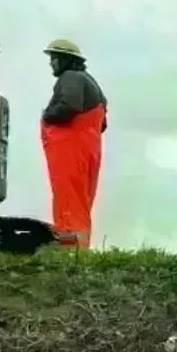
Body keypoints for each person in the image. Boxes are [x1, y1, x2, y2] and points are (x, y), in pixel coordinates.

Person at [41, 38, 108, 249]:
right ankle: (79, 248)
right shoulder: (92, 83)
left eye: (55, 58)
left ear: (66, 60)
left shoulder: (70, 78)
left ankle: (69, 248)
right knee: (81, 199)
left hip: (70, 148)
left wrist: (47, 115)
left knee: (68, 197)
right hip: (89, 149)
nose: (52, 63)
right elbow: (103, 123)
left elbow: (67, 107)